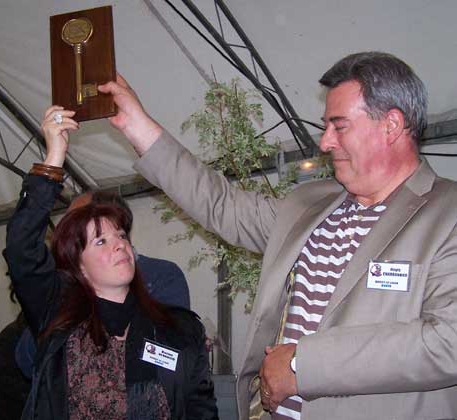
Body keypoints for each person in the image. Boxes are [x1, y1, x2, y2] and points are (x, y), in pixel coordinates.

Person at [97, 51, 457, 420]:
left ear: (391, 125)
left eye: (340, 126)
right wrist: (136, 125)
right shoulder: (309, 205)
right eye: (326, 126)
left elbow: (449, 342)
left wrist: (303, 364)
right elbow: (221, 205)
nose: (325, 142)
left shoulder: (447, 215)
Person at [3, 106, 218, 419]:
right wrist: (54, 157)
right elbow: (21, 246)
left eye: (120, 235)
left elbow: (201, 410)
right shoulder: (57, 315)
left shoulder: (178, 329)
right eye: (101, 241)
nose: (120, 244)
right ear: (79, 265)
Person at [14, 189, 190, 379]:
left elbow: (172, 357)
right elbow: (28, 359)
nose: (70, 228)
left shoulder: (161, 276)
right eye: (100, 241)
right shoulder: (63, 293)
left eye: (120, 235)